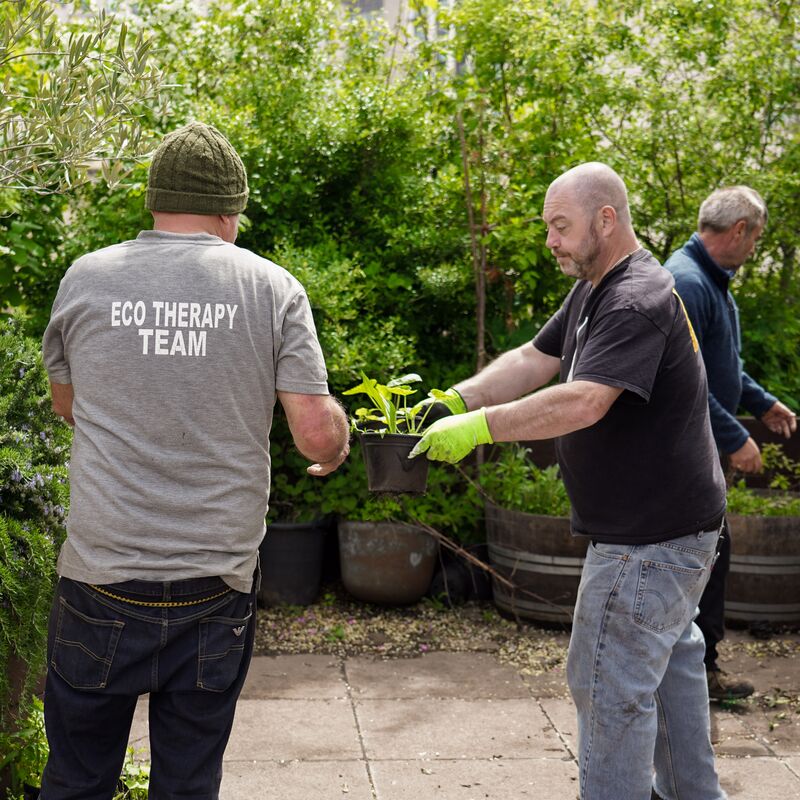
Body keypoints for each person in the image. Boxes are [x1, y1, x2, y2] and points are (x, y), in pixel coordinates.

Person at [40, 122, 349, 799]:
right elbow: (315, 438)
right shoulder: (272, 289)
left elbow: (68, 405)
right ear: (227, 211)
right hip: (214, 583)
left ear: (154, 202)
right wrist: (338, 437)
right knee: (187, 783)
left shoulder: (86, 277)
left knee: (76, 779)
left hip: (101, 578)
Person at [412, 162, 728, 800]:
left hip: (648, 543)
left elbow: (584, 400)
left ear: (605, 220)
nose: (550, 240)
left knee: (608, 686)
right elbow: (535, 358)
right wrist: (457, 397)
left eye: (561, 226)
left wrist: (479, 429)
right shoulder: (597, 288)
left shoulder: (635, 298)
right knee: (668, 674)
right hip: (675, 530)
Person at [664, 186, 797, 701]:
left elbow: (722, 363)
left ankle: (699, 668)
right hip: (686, 450)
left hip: (699, 446)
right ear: (739, 230)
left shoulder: (710, 280)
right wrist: (736, 435)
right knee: (705, 555)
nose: (754, 249)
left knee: (712, 553)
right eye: (756, 238)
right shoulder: (688, 282)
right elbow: (685, 380)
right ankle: (698, 673)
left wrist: (762, 402)